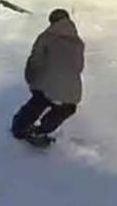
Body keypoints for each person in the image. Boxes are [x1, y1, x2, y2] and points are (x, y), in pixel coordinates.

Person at [10, 8, 84, 142]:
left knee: (39, 100)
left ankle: (19, 129)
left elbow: (35, 60)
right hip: (71, 89)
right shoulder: (78, 42)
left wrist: (30, 77)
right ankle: (42, 130)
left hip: (46, 83)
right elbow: (79, 67)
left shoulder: (46, 37)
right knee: (66, 108)